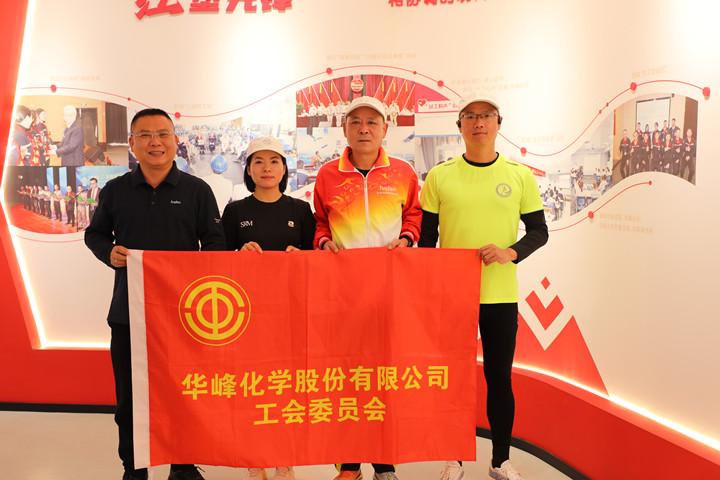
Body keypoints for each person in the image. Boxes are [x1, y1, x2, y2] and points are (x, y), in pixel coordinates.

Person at [85, 108, 225, 480]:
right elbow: (95, 234)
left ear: (175, 141)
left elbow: (215, 243)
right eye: (145, 135)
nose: (155, 142)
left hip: (185, 315)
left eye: (162, 134)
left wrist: (194, 271)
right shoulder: (116, 191)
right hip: (128, 314)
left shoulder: (197, 191)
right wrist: (108, 253)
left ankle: (183, 465)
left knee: (184, 396)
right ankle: (134, 468)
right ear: (132, 143)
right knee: (130, 401)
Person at [419, 96, 548, 480]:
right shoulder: (440, 176)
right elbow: (426, 241)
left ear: (498, 123)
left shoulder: (518, 175)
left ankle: (500, 460)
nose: (479, 123)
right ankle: (454, 458)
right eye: (471, 116)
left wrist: (510, 252)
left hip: (499, 296)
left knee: (499, 378)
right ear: (460, 125)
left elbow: (539, 231)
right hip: (452, 296)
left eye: (487, 116)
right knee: (453, 379)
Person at [313, 96, 421, 480]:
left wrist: (407, 239)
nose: (363, 129)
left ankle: (384, 462)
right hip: (343, 291)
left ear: (384, 129)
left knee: (385, 376)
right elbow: (320, 222)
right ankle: (349, 463)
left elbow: (414, 216)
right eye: (355, 122)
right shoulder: (328, 175)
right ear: (344, 129)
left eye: (372, 122)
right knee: (347, 375)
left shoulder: (404, 172)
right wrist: (323, 242)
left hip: (390, 289)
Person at [221, 136, 315, 480]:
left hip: (290, 312)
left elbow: (316, 261)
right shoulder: (235, 211)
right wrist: (239, 255)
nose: (266, 168)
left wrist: (300, 257)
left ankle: (284, 459)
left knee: (286, 385)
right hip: (247, 314)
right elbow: (218, 262)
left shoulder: (300, 211)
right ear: (248, 170)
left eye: (274, 161)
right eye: (258, 161)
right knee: (251, 385)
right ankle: (254, 458)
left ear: (284, 168)